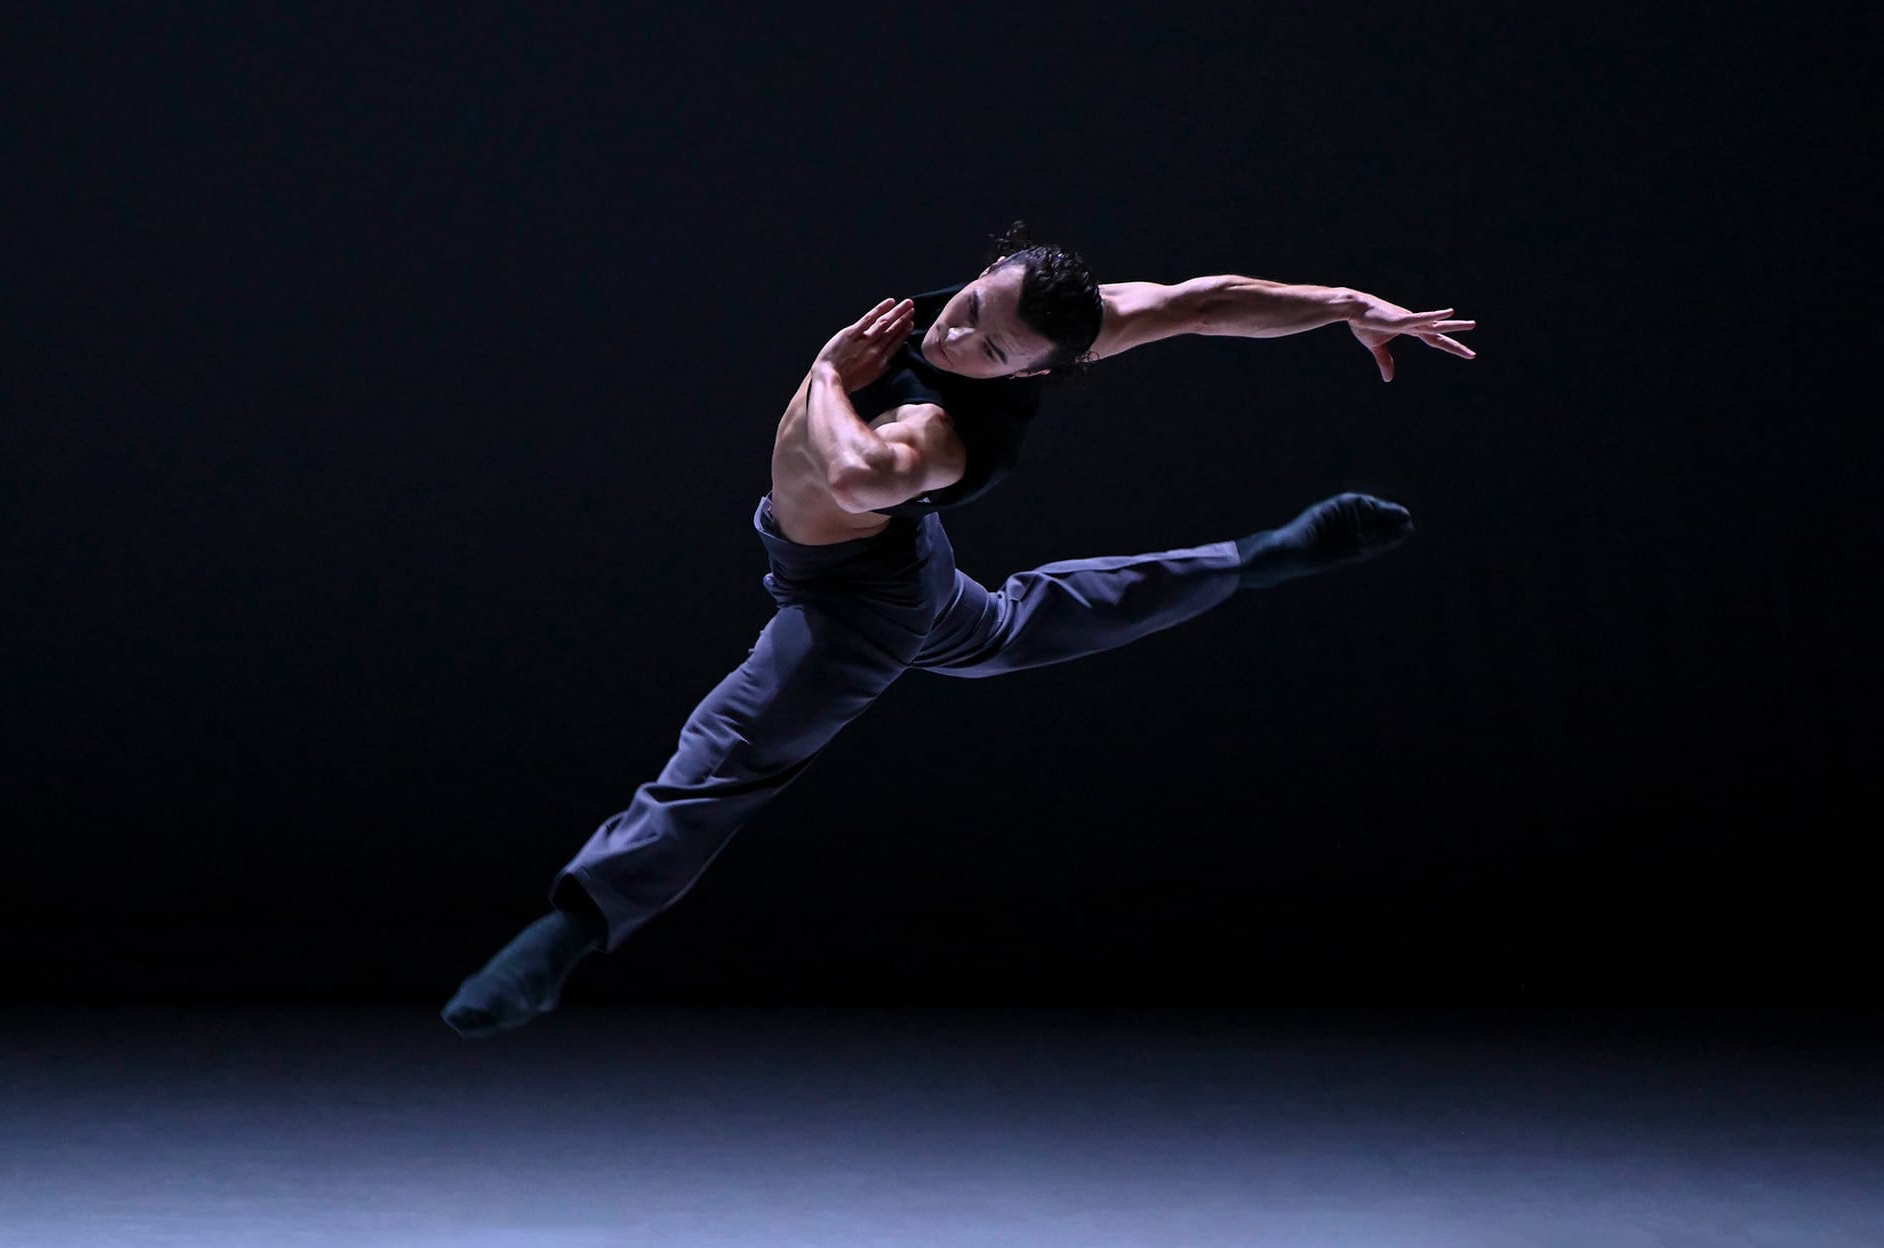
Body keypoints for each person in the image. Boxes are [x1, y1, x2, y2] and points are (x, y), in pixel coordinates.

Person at [442, 224, 1475, 1036]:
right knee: (1024, 624)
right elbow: (1204, 303)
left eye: (989, 345)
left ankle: (565, 935)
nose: (955, 334)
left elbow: (851, 472)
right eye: (974, 303)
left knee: (734, 753)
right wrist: (1347, 305)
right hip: (914, 574)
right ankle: (1256, 559)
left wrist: (823, 374)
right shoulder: (1054, 313)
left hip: (856, 600)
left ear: (1032, 373)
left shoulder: (936, 434)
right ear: (993, 268)